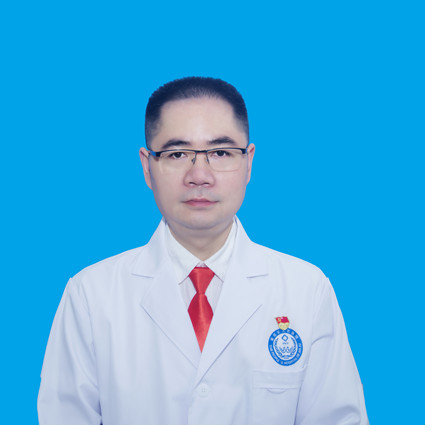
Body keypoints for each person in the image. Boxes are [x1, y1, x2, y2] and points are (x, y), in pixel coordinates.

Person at [38, 77, 368, 425]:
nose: (199, 175)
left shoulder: (306, 290)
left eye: (220, 153)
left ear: (249, 162)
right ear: (147, 167)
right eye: (177, 154)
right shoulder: (91, 295)